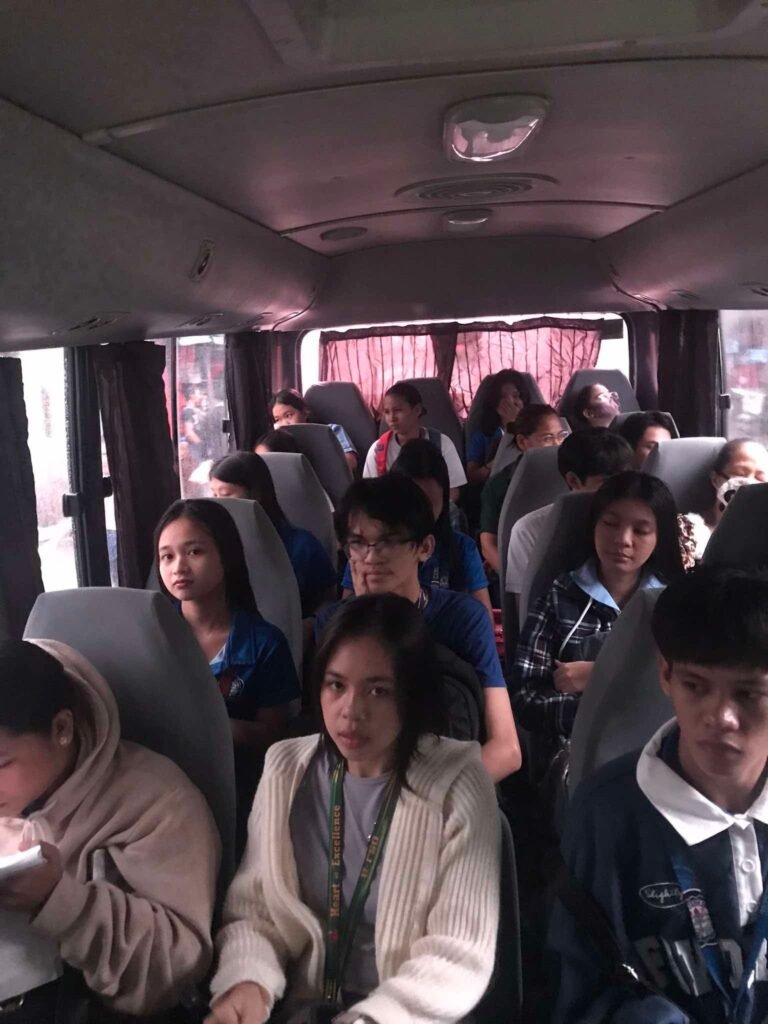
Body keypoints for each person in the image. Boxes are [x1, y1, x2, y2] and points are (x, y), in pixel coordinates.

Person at [205, 594, 501, 1024]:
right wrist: (248, 984)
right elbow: (257, 913)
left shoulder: (458, 781)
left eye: (378, 690)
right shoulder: (285, 769)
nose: (351, 711)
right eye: (336, 685)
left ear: (412, 695)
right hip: (302, 1009)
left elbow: (457, 953)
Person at [551, 567, 768, 1024]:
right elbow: (579, 993)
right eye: (696, 686)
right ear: (666, 676)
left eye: (749, 694)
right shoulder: (606, 816)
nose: (721, 716)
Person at [0, 638, 219, 1018]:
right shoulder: (16, 796)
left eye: (1, 765)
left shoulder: (157, 803)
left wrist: (60, 901)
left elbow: (177, 969)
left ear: (62, 727)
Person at [317, 475, 522, 782]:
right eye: (358, 543)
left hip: (450, 783)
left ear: (425, 547)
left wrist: (427, 799)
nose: (370, 557)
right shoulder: (332, 624)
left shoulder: (463, 619)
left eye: (388, 541)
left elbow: (506, 749)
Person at [511, 471, 684, 760]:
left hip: (659, 754)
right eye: (611, 524)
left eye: (641, 531)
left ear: (659, 537)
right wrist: (615, 712)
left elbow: (690, 697)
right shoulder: (559, 597)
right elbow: (525, 699)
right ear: (594, 525)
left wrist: (599, 678)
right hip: (572, 753)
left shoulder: (676, 605)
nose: (623, 540)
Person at [155, 499, 300, 842]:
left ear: (227, 555)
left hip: (241, 787)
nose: (178, 567)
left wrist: (209, 727)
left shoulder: (265, 643)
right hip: (163, 790)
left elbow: (272, 736)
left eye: (194, 552)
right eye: (167, 557)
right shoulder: (152, 638)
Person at [340, 439, 492, 620]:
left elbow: (484, 617)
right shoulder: (367, 550)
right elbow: (345, 610)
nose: (421, 515)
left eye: (429, 504)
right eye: (410, 505)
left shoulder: (462, 549)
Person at [505, 429, 634, 598]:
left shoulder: (638, 524)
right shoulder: (531, 530)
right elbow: (525, 604)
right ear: (574, 480)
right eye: (608, 482)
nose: (621, 490)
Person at [210, 453, 337, 617]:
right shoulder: (213, 548)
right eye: (214, 495)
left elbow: (327, 604)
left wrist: (308, 625)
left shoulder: (302, 547)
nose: (217, 504)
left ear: (256, 495)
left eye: (225, 495)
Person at [479, 404, 568, 574]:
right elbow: (488, 545)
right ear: (522, 442)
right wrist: (512, 578)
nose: (557, 444)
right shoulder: (499, 484)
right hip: (518, 566)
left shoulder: (574, 475)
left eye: (561, 436)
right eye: (548, 438)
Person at [362, 382, 467, 499]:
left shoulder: (441, 443)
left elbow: (453, 490)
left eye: (397, 410)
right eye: (387, 412)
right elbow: (370, 493)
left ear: (417, 410)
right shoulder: (378, 450)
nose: (392, 418)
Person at [679, 438, 768, 566]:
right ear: (716, 479)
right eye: (740, 474)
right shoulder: (688, 532)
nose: (750, 483)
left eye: (760, 477)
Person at [466, 370, 532, 485]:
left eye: (516, 396)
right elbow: (472, 476)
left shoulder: (535, 430)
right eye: (502, 397)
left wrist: (516, 423)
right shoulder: (482, 435)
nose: (509, 401)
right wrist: (498, 461)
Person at [271, 389, 358, 473]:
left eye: (288, 415)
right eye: (277, 420)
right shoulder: (280, 442)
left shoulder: (332, 430)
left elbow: (351, 462)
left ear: (304, 412)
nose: (284, 424)